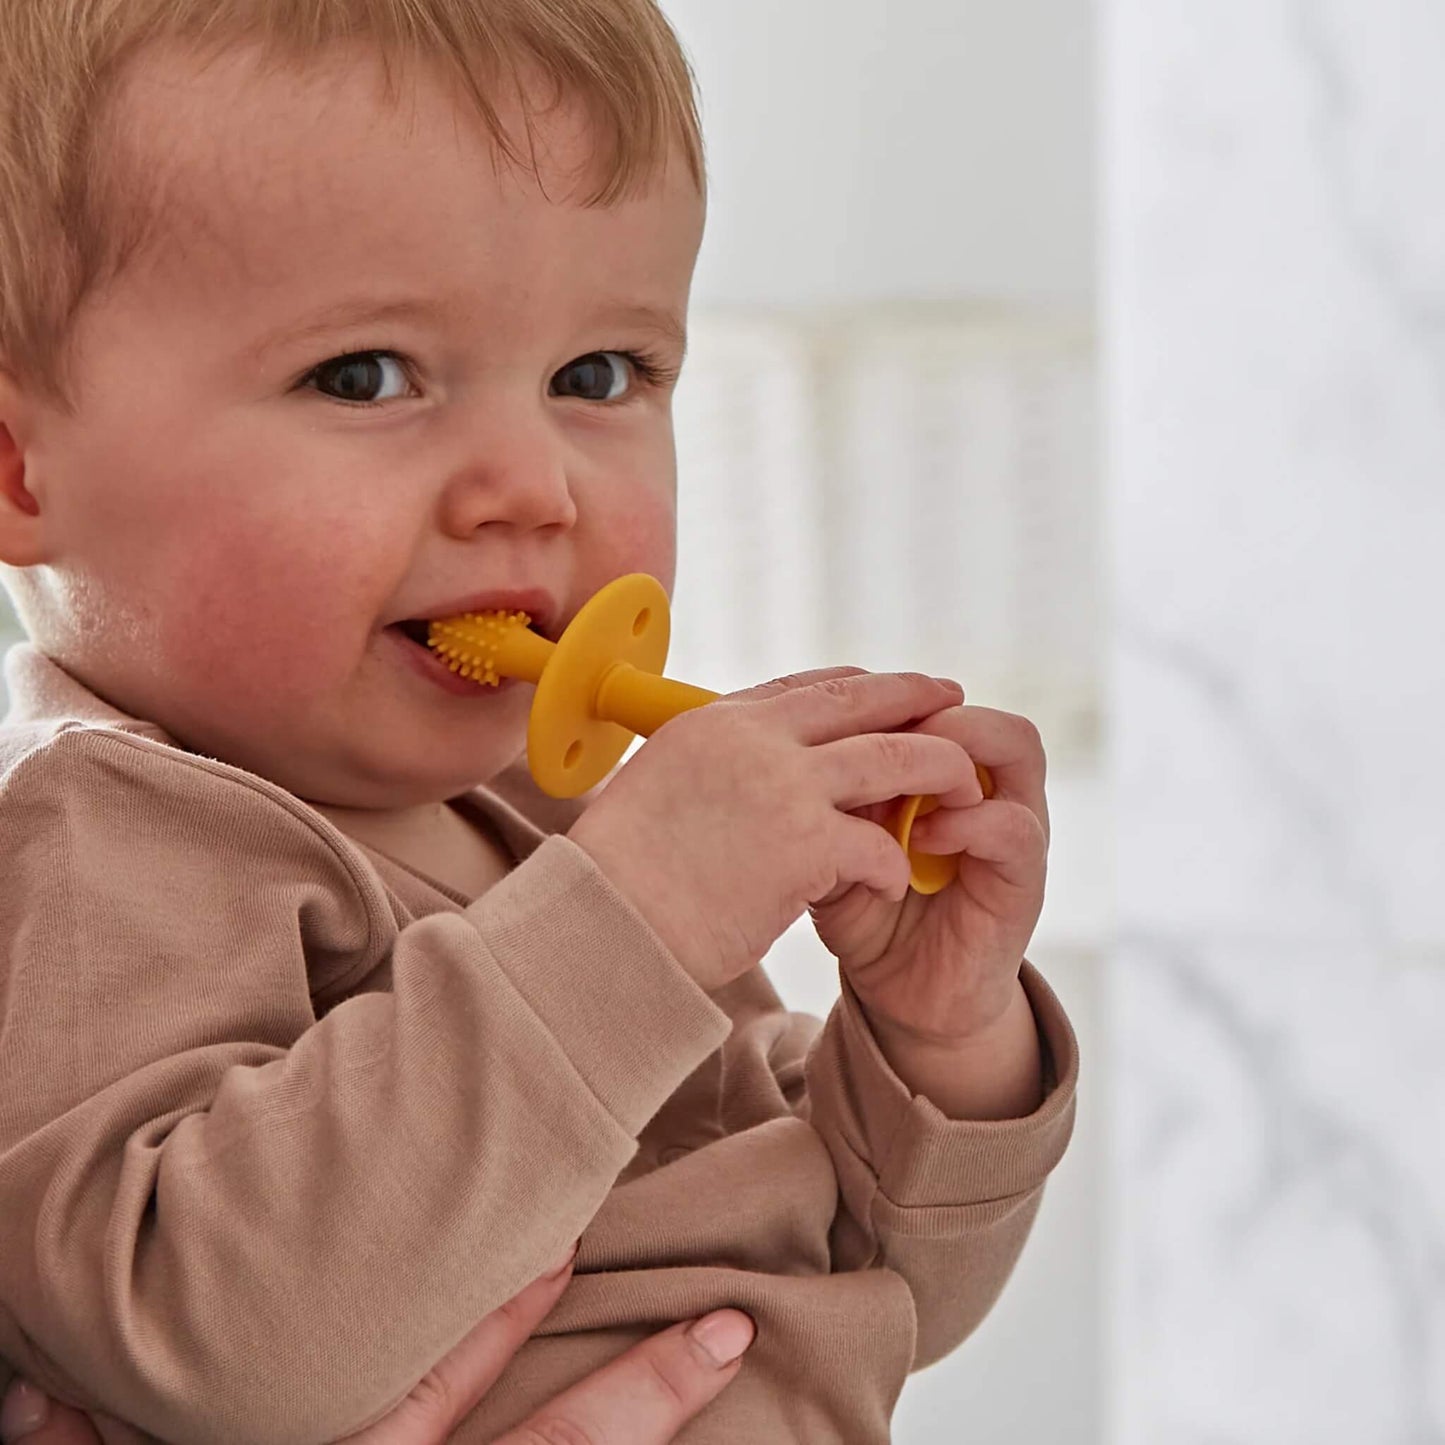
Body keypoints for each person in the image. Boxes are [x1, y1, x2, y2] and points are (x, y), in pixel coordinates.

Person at [0, 1, 1079, 1441]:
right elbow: (214, 1340)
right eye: (365, 374)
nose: (531, 482)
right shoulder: (109, 840)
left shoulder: (557, 822)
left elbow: (870, 1289)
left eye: (599, 376)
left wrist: (936, 1038)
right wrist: (632, 919)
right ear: (19, 469)